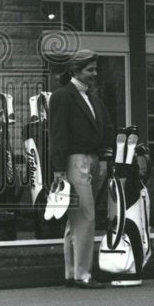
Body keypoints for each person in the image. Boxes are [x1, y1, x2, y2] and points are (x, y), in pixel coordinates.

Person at [49, 50, 115, 289]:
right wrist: (58, 169)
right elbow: (57, 134)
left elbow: (106, 127)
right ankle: (83, 275)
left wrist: (106, 157)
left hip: (93, 159)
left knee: (76, 219)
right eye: (90, 70)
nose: (95, 74)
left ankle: (72, 272)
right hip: (74, 160)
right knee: (85, 217)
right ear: (76, 70)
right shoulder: (62, 96)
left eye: (96, 69)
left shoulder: (94, 98)